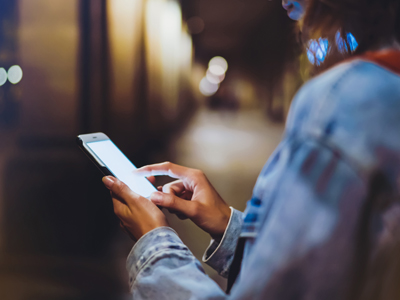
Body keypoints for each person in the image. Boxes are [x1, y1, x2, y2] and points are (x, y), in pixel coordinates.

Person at [102, 0, 400, 299]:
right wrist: (229, 226)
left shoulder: (342, 101)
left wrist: (154, 244)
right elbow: (338, 268)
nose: (285, 3)